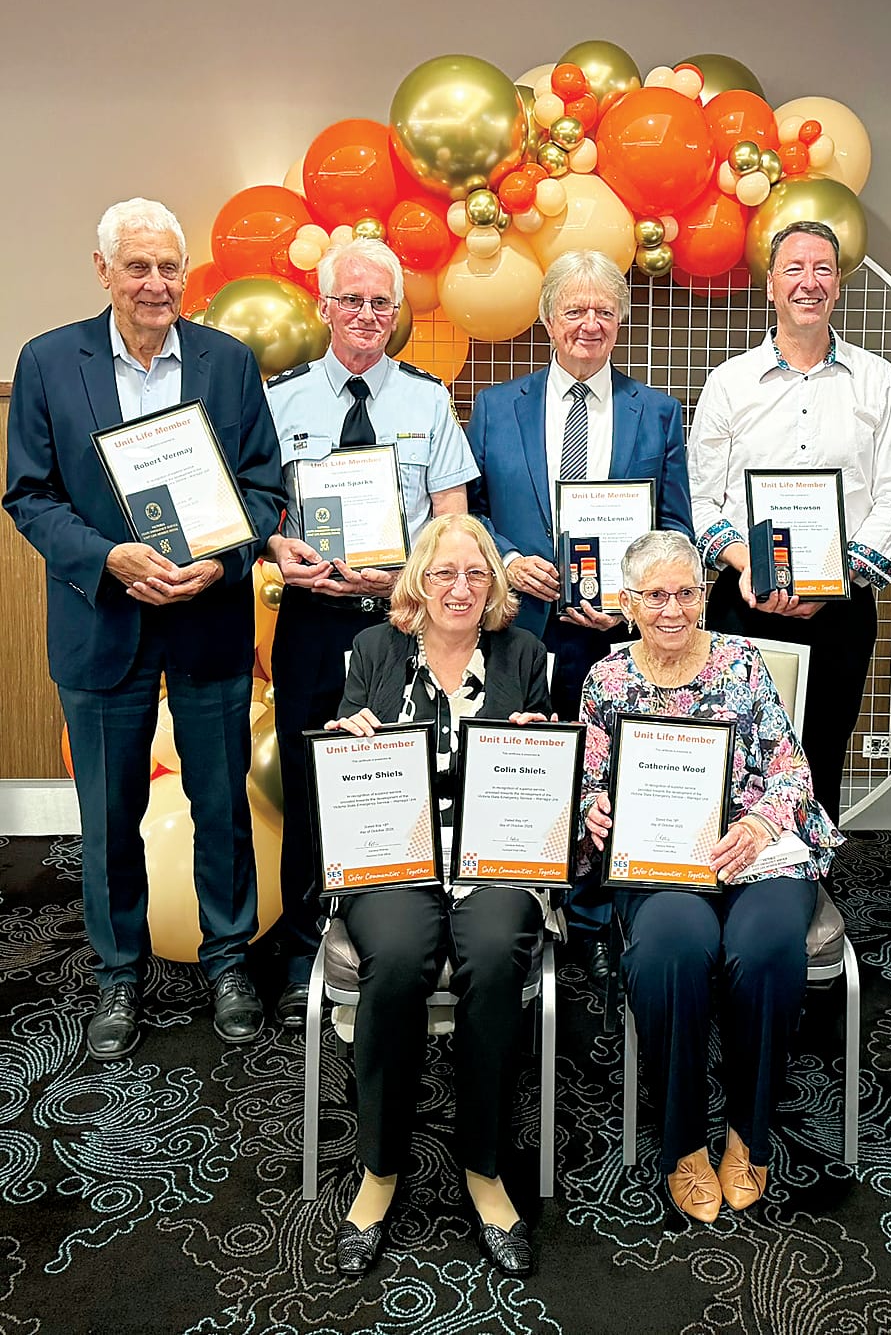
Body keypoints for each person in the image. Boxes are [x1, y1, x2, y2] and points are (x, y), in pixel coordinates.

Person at [4, 197, 285, 1060]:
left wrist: (225, 559)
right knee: (109, 811)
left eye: (169, 266)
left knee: (221, 805)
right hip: (102, 623)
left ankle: (228, 958)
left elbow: (264, 488)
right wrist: (108, 558)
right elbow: (28, 494)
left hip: (207, 622)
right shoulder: (49, 362)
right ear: (103, 272)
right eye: (138, 266)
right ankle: (118, 973)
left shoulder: (228, 362)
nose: (156, 283)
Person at [579, 531, 842, 1222]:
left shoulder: (741, 660)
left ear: (703, 593)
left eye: (687, 592)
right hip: (660, 858)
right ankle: (682, 1141)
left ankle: (747, 1133)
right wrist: (593, 808)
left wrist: (757, 824)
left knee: (761, 953)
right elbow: (585, 780)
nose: (673, 609)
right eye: (655, 595)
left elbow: (790, 767)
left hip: (755, 850)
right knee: (670, 950)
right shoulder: (605, 678)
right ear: (628, 601)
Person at [323, 514, 551, 1278]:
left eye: (476, 573)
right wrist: (347, 736)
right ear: (417, 581)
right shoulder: (373, 651)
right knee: (397, 957)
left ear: (494, 584)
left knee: (493, 955)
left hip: (493, 854)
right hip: (396, 855)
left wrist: (537, 737)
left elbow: (547, 768)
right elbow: (342, 766)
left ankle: (483, 1167)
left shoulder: (523, 654)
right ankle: (380, 1169)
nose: (460, 588)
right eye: (444, 573)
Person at [264, 238, 477, 1028]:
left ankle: (399, 944)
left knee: (406, 781)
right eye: (350, 299)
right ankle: (299, 950)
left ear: (398, 314)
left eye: (380, 302)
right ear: (323, 307)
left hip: (401, 627)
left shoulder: (427, 400)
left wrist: (405, 579)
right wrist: (276, 548)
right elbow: (259, 514)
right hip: (314, 625)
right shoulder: (279, 399)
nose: (365, 314)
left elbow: (453, 521)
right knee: (310, 784)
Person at [466, 249, 693, 980]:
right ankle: (525, 907)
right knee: (530, 766)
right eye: (574, 310)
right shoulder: (496, 406)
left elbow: (677, 529)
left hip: (617, 638)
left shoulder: (655, 412)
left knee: (610, 772)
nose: (588, 324)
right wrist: (503, 557)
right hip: (523, 629)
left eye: (603, 311)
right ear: (546, 319)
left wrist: (634, 592)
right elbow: (468, 513)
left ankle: (595, 918)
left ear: (620, 321)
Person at [687, 220, 891, 828]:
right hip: (743, 602)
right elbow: (702, 500)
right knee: (736, 755)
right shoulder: (729, 383)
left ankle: (813, 889)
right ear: (770, 284)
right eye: (793, 269)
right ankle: (732, 884)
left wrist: (832, 582)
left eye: (822, 269)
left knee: (821, 753)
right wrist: (744, 565)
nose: (808, 283)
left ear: (838, 284)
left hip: (839, 609)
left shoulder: (878, 379)